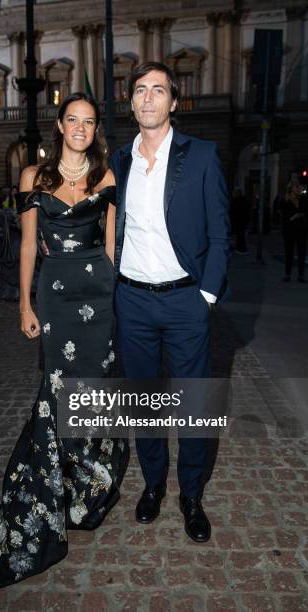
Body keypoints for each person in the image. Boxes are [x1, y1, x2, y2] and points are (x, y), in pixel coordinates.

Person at [0, 92, 129, 590]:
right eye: (73, 120)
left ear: (96, 129)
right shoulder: (32, 178)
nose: (80, 128)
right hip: (56, 296)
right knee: (56, 393)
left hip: (99, 296)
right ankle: (51, 490)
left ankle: (86, 487)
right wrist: (24, 305)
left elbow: (109, 245)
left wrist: (118, 299)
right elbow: (26, 245)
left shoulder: (107, 179)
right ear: (59, 125)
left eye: (89, 122)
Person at [111, 62, 230, 542]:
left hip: (185, 300)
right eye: (140, 90)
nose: (147, 98)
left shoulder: (201, 155)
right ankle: (154, 485)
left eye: (158, 90)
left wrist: (205, 296)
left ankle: (192, 494)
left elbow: (222, 234)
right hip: (133, 301)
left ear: (173, 102)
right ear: (131, 101)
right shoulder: (120, 159)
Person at [281, 179, 308, 282]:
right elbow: (284, 216)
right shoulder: (285, 200)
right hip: (289, 230)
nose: (299, 188)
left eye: (299, 186)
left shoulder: (304, 199)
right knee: (289, 252)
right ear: (291, 189)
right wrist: (295, 216)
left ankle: (300, 275)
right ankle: (287, 274)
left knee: (301, 252)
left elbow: (306, 212)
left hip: (301, 230)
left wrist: (301, 215)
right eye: (296, 186)